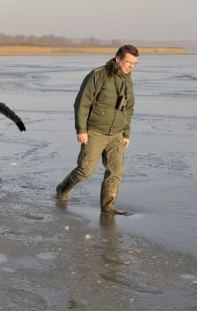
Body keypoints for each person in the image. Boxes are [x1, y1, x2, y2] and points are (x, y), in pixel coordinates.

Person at [56, 45, 139, 216]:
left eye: (134, 63)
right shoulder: (99, 75)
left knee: (116, 171)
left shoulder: (127, 79)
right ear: (118, 59)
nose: (131, 66)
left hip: (116, 133)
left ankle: (107, 206)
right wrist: (81, 129)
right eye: (128, 62)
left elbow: (128, 108)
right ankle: (62, 189)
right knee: (85, 170)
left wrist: (126, 133)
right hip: (95, 131)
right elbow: (82, 103)